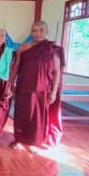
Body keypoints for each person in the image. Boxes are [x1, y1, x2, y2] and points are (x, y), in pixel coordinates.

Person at [11, 21, 64, 153]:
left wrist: (53, 91)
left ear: (47, 31)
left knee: (38, 118)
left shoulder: (52, 48)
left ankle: (34, 141)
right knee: (21, 114)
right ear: (31, 32)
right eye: (35, 30)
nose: (38, 33)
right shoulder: (23, 48)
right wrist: (11, 83)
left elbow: (57, 71)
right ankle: (19, 139)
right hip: (23, 86)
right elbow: (16, 67)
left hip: (41, 89)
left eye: (41, 30)